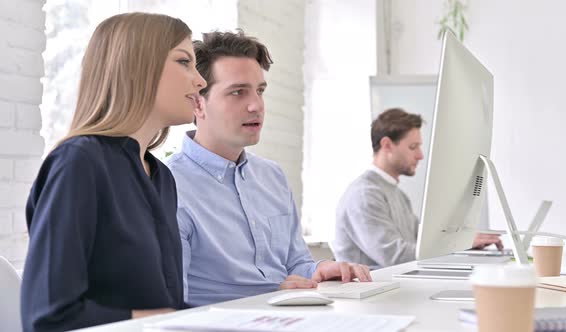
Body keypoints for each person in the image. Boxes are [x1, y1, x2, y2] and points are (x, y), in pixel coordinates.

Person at [21, 13, 206, 331]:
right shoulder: (79, 163)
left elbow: (162, 305)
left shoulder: (161, 177)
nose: (200, 81)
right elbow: (48, 317)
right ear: (137, 67)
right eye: (183, 62)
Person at [166, 30, 371, 307]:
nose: (256, 106)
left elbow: (294, 263)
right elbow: (173, 301)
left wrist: (318, 272)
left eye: (260, 91)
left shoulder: (271, 176)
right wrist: (271, 294)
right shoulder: (169, 186)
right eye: (238, 92)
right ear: (198, 103)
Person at [332, 108, 503, 270]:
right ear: (387, 145)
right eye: (413, 147)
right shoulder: (364, 194)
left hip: (394, 288)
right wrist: (457, 244)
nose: (420, 155)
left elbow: (421, 243)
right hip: (371, 295)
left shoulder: (397, 194)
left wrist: (463, 240)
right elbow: (394, 256)